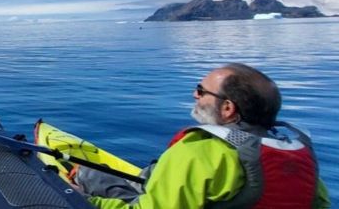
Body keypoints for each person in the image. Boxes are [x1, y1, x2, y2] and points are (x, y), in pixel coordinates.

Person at [75, 63, 330, 208]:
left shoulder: (200, 151)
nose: (195, 95)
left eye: (201, 91)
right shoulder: (300, 157)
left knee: (90, 175)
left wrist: (83, 200)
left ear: (228, 108)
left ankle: (80, 176)